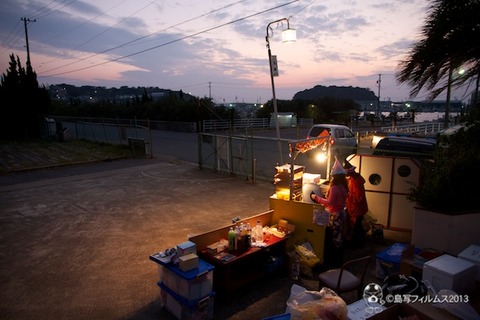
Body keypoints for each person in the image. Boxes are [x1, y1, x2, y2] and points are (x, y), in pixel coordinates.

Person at [310, 158, 348, 267]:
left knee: (335, 238)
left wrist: (315, 197)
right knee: (339, 237)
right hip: (341, 213)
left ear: (334, 176)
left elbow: (329, 203)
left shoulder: (335, 188)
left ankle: (335, 263)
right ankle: (339, 260)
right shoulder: (343, 186)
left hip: (335, 215)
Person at [344, 160, 368, 247]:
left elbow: (358, 197)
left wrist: (347, 196)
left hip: (357, 208)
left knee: (356, 228)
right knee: (358, 227)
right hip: (358, 208)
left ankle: (357, 244)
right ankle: (359, 242)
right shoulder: (355, 178)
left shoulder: (356, 181)